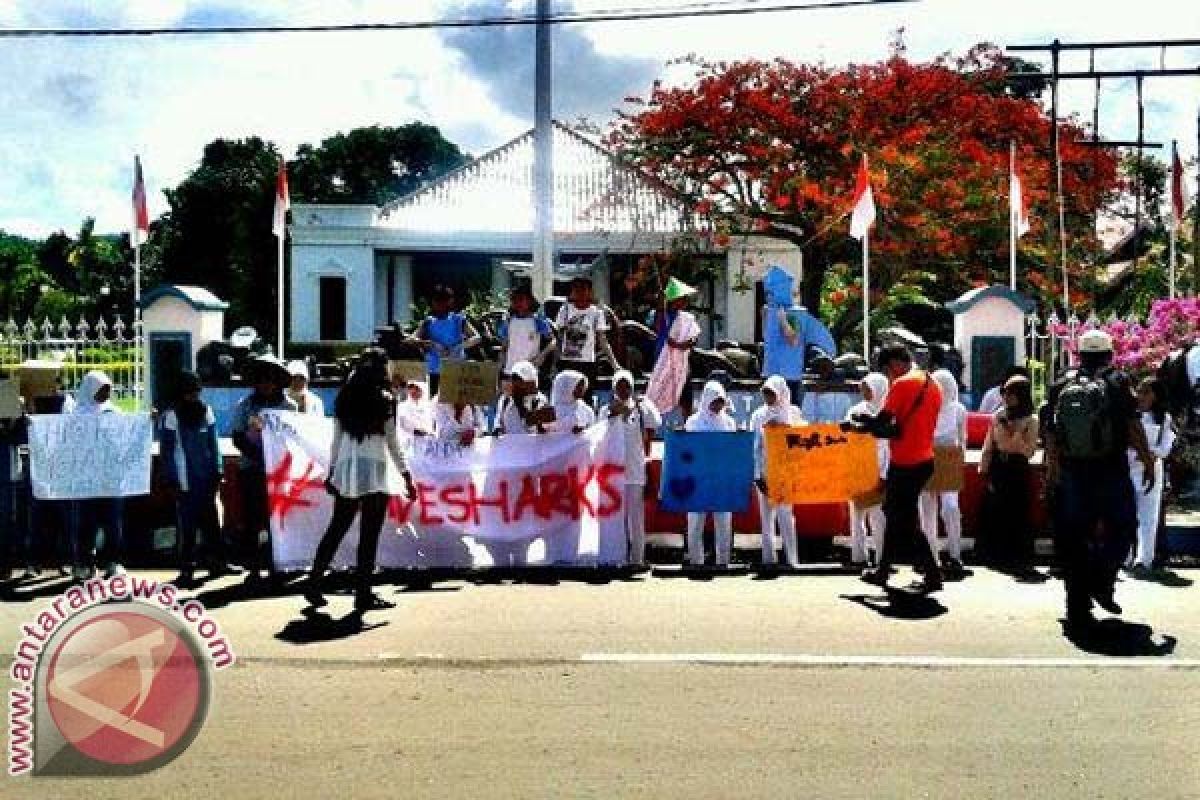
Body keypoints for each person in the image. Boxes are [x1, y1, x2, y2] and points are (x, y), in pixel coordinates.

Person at [1045, 330, 1155, 633]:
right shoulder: (1118, 382)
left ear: (1079, 354)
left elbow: (1051, 433)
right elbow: (1133, 426)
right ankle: (1102, 579)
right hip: (1110, 471)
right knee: (1123, 527)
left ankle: (1076, 606)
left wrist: (1053, 470)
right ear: (1109, 353)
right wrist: (1147, 460)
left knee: (1072, 539)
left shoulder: (1060, 383)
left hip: (1072, 473)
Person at [305, 349, 416, 614]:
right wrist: (406, 475)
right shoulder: (386, 399)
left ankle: (314, 583)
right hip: (375, 469)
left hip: (347, 468)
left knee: (337, 528)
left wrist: (332, 471)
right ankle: (362, 594)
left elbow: (336, 440)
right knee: (369, 536)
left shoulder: (344, 397)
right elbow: (392, 442)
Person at [845, 345, 944, 593]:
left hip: (906, 463)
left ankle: (932, 574)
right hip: (923, 459)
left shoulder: (902, 385)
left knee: (906, 519)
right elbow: (900, 424)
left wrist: (857, 425)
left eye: (888, 371)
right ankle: (883, 570)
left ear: (896, 364)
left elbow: (882, 423)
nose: (889, 377)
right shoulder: (933, 384)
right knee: (895, 514)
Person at [161, 371, 233, 586]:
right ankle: (187, 569)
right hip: (185, 480)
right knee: (188, 527)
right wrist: (171, 479)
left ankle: (218, 562)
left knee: (212, 524)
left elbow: (214, 443)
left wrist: (218, 469)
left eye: (196, 392)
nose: (193, 396)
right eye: (189, 393)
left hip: (207, 477)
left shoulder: (206, 411)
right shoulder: (172, 416)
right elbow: (167, 451)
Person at [231, 355, 298, 584]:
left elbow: (295, 438)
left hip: (280, 472)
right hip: (252, 470)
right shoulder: (245, 405)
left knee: (277, 521)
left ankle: (277, 565)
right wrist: (259, 455)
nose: (266, 385)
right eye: (262, 380)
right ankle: (253, 568)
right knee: (252, 520)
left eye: (271, 380)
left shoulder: (290, 406)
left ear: (278, 382)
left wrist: (275, 457)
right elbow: (237, 437)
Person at [66, 371, 127, 580]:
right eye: (103, 388)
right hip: (85, 479)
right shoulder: (76, 415)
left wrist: (147, 421)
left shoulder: (115, 413)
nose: (107, 392)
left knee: (112, 522)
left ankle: (112, 561)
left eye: (109, 388)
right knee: (84, 522)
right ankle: (83, 563)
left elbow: (127, 437)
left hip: (110, 477)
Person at [598, 369, 661, 566]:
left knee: (636, 519)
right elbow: (597, 432)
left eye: (627, 386)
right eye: (620, 386)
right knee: (614, 520)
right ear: (614, 388)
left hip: (634, 472)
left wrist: (645, 404)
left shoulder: (640, 408)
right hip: (612, 473)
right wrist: (612, 413)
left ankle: (636, 560)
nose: (624, 389)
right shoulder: (605, 410)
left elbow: (656, 422)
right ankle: (614, 557)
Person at [978, 375, 1040, 570]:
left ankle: (1017, 554)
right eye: (1004, 393)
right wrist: (984, 467)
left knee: (1017, 510)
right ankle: (994, 553)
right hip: (999, 466)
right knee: (995, 509)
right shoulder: (998, 415)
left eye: (1011, 394)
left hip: (1017, 467)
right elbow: (989, 444)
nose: (1006, 397)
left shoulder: (1031, 420)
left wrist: (1013, 431)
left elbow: (1027, 450)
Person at [761, 265, 836, 406]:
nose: (769, 295)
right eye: (767, 292)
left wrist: (783, 321)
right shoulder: (769, 311)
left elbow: (794, 341)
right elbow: (767, 337)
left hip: (789, 376)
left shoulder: (794, 314)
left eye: (771, 291)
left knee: (791, 411)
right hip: (771, 372)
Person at [751, 375, 805, 570]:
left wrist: (784, 428)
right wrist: (757, 476)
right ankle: (768, 559)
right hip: (765, 471)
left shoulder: (793, 413)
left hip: (786, 473)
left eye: (772, 393)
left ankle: (791, 559)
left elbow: (802, 441)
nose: (768, 397)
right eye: (765, 393)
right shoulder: (758, 415)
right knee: (766, 518)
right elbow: (755, 448)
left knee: (786, 516)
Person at [919, 369, 968, 572]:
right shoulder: (923, 408)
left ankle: (955, 554)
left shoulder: (958, 410)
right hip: (926, 462)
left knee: (950, 508)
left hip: (949, 464)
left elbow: (962, 438)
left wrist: (960, 462)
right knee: (926, 513)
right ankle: (929, 556)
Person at [684, 381, 737, 568]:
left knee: (723, 523)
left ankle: (723, 562)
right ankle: (696, 562)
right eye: (715, 400)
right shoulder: (692, 422)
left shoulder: (729, 422)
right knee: (695, 522)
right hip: (698, 480)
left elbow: (732, 451)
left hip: (721, 481)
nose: (718, 405)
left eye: (721, 401)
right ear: (706, 400)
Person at [1127, 376, 1174, 574]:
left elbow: (1166, 446)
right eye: (1139, 391)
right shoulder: (1130, 416)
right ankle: (1125, 556)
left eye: (1146, 392)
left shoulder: (1163, 418)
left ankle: (1144, 559)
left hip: (1152, 469)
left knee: (1149, 515)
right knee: (1126, 514)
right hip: (1129, 467)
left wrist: (1152, 455)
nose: (1141, 396)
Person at [846, 373, 890, 567]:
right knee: (856, 516)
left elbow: (889, 448)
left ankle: (882, 559)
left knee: (878, 519)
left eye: (868, 388)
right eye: (862, 388)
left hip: (879, 472)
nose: (864, 392)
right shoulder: (855, 411)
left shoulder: (888, 414)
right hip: (857, 471)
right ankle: (859, 557)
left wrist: (884, 475)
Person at [555, 277, 620, 400]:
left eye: (583, 289)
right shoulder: (565, 310)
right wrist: (555, 363)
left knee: (585, 398)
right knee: (565, 397)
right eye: (576, 289)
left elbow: (603, 340)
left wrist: (614, 364)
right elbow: (559, 338)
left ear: (590, 292)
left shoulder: (596, 313)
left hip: (587, 364)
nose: (579, 292)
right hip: (566, 362)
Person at [646, 277, 701, 416]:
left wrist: (681, 345)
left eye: (685, 299)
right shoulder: (658, 314)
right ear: (673, 299)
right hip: (663, 362)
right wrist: (660, 305)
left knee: (686, 396)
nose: (684, 301)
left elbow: (694, 338)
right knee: (656, 395)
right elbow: (658, 327)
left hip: (681, 364)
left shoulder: (687, 318)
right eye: (681, 298)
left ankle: (687, 424)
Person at [413, 285, 481, 396]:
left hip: (456, 369)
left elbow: (477, 337)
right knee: (435, 404)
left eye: (443, 302)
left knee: (455, 403)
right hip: (434, 370)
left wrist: (457, 347)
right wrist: (430, 344)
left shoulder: (458, 319)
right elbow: (412, 339)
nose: (440, 305)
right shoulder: (428, 321)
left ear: (450, 302)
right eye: (437, 302)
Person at [497, 286, 556, 377]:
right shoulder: (509, 321)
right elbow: (505, 345)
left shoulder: (538, 320)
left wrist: (541, 356)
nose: (517, 303)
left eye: (521, 299)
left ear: (530, 301)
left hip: (529, 369)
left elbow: (553, 341)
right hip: (510, 369)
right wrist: (501, 362)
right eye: (514, 300)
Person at [495, 361, 550, 435]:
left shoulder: (540, 400)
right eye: (512, 379)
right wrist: (498, 429)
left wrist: (521, 406)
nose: (512, 383)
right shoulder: (505, 399)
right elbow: (500, 423)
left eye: (518, 380)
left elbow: (540, 431)